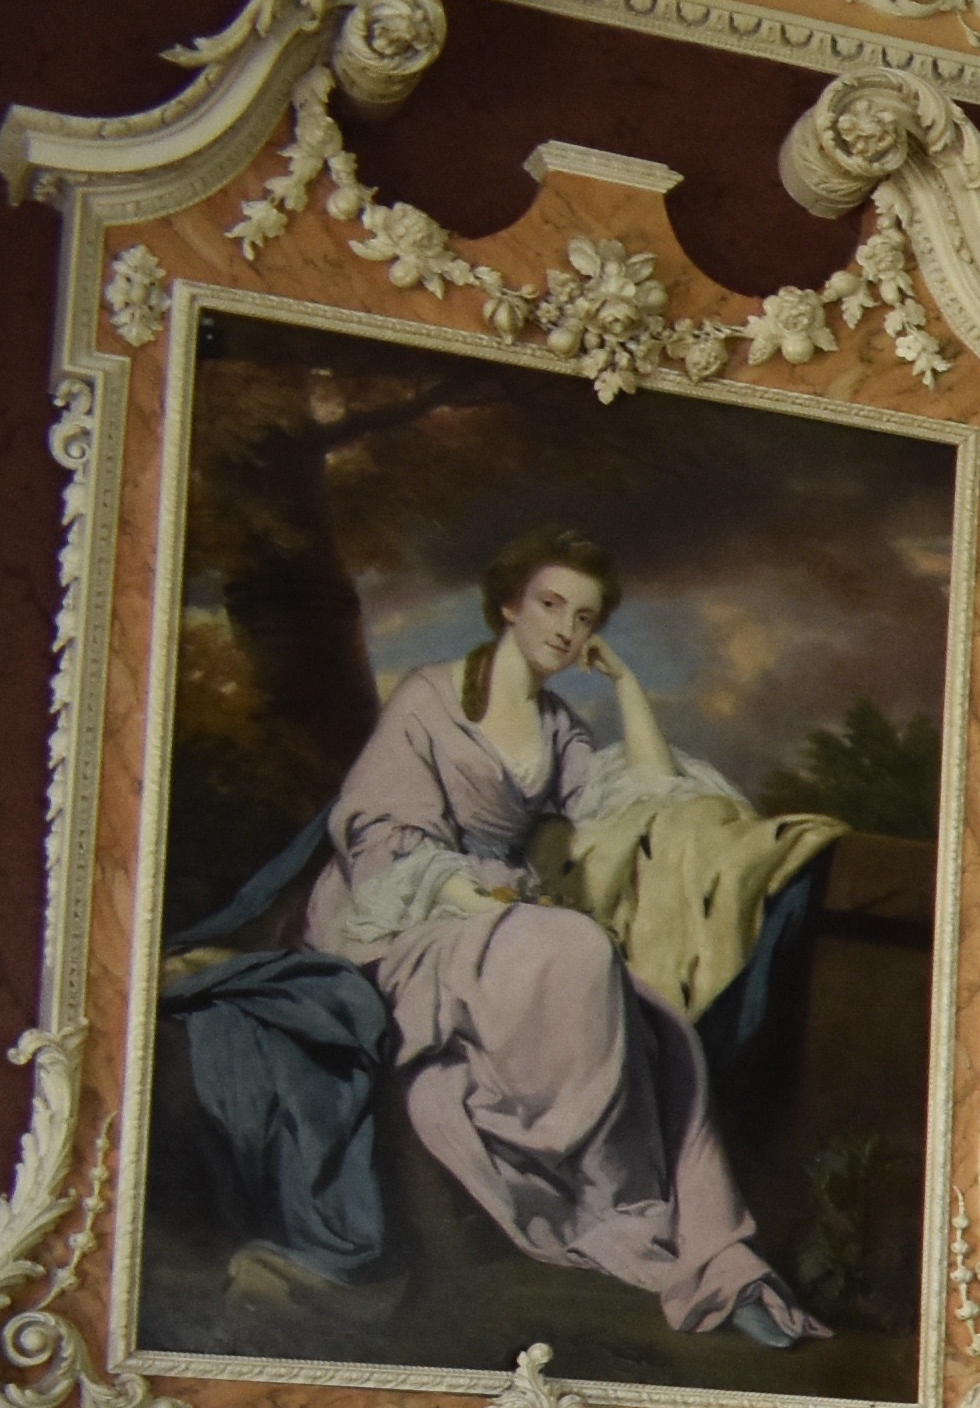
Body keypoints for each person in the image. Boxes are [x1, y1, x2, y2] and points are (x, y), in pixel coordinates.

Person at [282, 529, 818, 1345]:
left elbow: (650, 793)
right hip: (403, 910)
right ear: (508, 605)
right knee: (572, 949)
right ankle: (603, 1203)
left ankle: (651, 1219)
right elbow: (378, 828)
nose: (566, 630)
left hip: (500, 912)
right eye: (551, 604)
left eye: (586, 617)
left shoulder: (559, 727)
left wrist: (627, 682)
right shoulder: (431, 696)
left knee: (651, 1020)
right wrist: (459, 891)